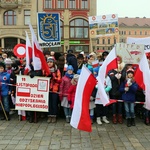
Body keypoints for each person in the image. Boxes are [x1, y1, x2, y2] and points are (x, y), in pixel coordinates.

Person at [46, 57, 61, 123]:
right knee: (49, 103)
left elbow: (59, 79)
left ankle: (54, 115)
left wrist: (54, 78)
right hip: (47, 88)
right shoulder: (45, 70)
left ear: (53, 63)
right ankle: (49, 115)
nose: (49, 63)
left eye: (50, 62)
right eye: (48, 62)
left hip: (55, 89)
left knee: (54, 103)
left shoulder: (56, 70)